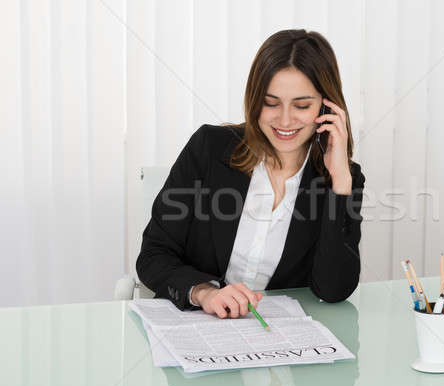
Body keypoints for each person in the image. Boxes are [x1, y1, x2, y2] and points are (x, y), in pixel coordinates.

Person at [136, 29, 365, 318]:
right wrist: (203, 293)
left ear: (327, 105)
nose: (284, 120)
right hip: (194, 324)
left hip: (278, 342)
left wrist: (340, 183)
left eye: (302, 105)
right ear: (255, 100)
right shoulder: (208, 148)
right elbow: (153, 256)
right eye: (271, 103)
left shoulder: (343, 177)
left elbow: (334, 290)